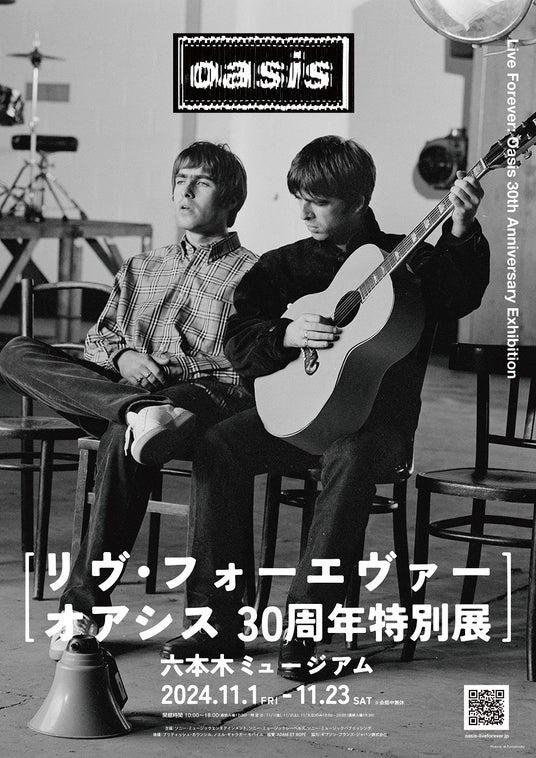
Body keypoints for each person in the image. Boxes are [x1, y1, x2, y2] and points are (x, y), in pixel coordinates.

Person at [160, 135, 490, 680]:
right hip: (299, 415)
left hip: (376, 429)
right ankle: (217, 625)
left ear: (359, 200)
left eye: (321, 201)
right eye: (301, 200)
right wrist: (286, 335)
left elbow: (459, 297)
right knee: (219, 444)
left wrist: (461, 229)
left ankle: (306, 632)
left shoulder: (408, 260)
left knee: (349, 454)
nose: (306, 213)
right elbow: (238, 338)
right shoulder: (284, 265)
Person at [0, 141, 257, 660]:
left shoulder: (255, 275)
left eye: (202, 183)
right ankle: (136, 412)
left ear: (230, 200)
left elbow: (243, 367)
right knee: (15, 351)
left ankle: (81, 613)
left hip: (195, 397)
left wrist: (168, 369)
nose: (185, 191)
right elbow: (99, 340)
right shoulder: (141, 267)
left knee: (124, 437)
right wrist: (125, 360)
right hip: (125, 394)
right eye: (180, 179)